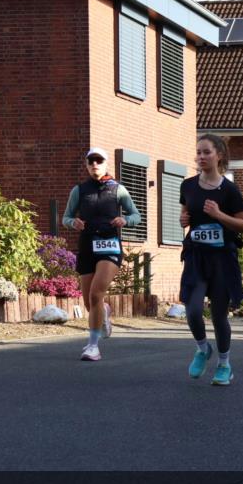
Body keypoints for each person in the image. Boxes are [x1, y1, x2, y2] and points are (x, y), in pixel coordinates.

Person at [179, 134, 243, 386]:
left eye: (206, 152)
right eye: (198, 152)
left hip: (222, 259)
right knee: (193, 310)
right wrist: (183, 220)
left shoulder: (229, 190)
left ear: (219, 155)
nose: (201, 157)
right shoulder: (188, 186)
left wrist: (219, 215)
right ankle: (202, 348)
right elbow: (185, 214)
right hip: (196, 257)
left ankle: (224, 364)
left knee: (219, 316)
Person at [63, 146, 142, 361]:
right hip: (87, 245)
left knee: (96, 294)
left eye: (99, 161)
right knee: (90, 303)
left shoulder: (118, 189)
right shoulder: (79, 190)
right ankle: (104, 311)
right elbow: (66, 217)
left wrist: (125, 220)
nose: (95, 165)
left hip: (109, 245)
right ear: (87, 165)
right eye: (91, 161)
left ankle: (93, 346)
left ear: (106, 164)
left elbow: (136, 215)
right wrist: (73, 223)